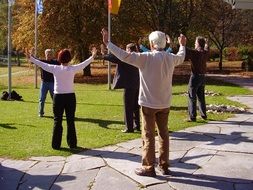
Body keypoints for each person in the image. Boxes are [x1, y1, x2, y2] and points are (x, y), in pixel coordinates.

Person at [102, 28, 186, 177]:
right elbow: (181, 56)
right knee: (164, 134)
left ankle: (148, 167)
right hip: (164, 103)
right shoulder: (170, 58)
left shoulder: (145, 57)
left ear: (152, 43)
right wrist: (182, 44)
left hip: (148, 104)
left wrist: (108, 43)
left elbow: (123, 55)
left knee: (148, 135)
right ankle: (164, 165)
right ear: (162, 43)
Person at [28, 47, 97, 150]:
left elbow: (42, 64)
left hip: (58, 97)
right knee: (70, 121)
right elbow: (84, 63)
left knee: (57, 121)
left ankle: (56, 145)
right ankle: (72, 144)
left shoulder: (55, 68)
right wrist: (92, 56)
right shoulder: (72, 68)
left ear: (59, 58)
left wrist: (31, 58)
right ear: (69, 59)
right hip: (70, 97)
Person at [102, 43, 140, 133]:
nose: (125, 51)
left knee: (128, 107)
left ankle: (129, 128)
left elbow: (114, 58)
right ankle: (137, 125)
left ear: (129, 50)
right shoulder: (138, 57)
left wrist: (103, 55)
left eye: (126, 49)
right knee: (135, 107)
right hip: (137, 84)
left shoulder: (126, 58)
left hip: (129, 85)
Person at [185, 36, 209, 122]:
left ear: (198, 43)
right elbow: (206, 47)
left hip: (195, 77)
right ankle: (203, 115)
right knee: (201, 97)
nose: (194, 43)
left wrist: (182, 43)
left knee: (192, 96)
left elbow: (185, 49)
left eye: (195, 42)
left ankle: (192, 116)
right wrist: (207, 43)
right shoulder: (205, 52)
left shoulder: (195, 53)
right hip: (202, 77)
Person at [38, 49, 59, 117]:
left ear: (52, 55)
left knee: (54, 99)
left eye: (50, 54)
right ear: (45, 54)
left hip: (52, 83)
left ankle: (57, 113)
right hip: (44, 83)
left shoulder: (55, 62)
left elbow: (63, 62)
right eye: (47, 54)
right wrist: (31, 54)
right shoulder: (42, 62)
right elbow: (33, 60)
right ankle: (41, 113)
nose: (49, 55)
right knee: (42, 99)